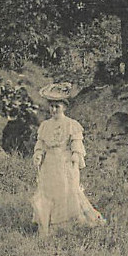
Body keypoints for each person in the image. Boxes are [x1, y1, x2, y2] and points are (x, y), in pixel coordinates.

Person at [30, 83, 106, 236]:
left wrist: (75, 156)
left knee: (66, 191)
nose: (54, 110)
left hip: (64, 163)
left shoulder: (71, 124)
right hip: (49, 164)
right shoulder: (45, 125)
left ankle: (68, 225)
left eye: (57, 106)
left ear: (64, 107)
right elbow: (41, 143)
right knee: (48, 192)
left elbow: (76, 142)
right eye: (51, 106)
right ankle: (48, 226)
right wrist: (38, 154)